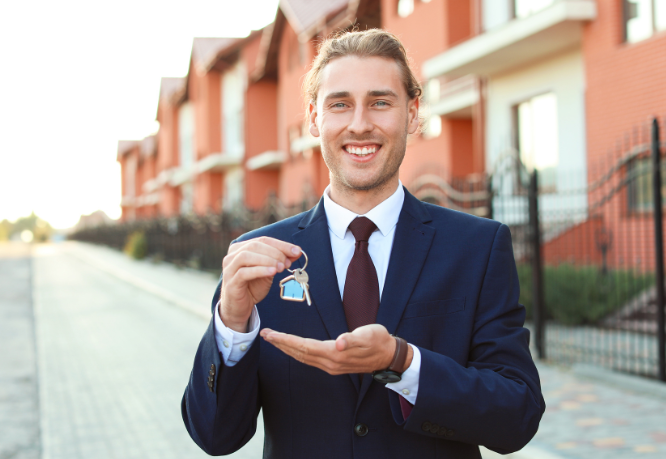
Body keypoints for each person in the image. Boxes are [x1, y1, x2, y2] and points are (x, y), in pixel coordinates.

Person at [182, 29, 544, 458]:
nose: (359, 124)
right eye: (340, 104)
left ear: (412, 113)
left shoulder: (477, 248)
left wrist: (403, 361)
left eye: (380, 102)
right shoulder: (255, 257)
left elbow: (516, 416)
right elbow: (214, 436)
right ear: (314, 118)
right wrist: (232, 323)